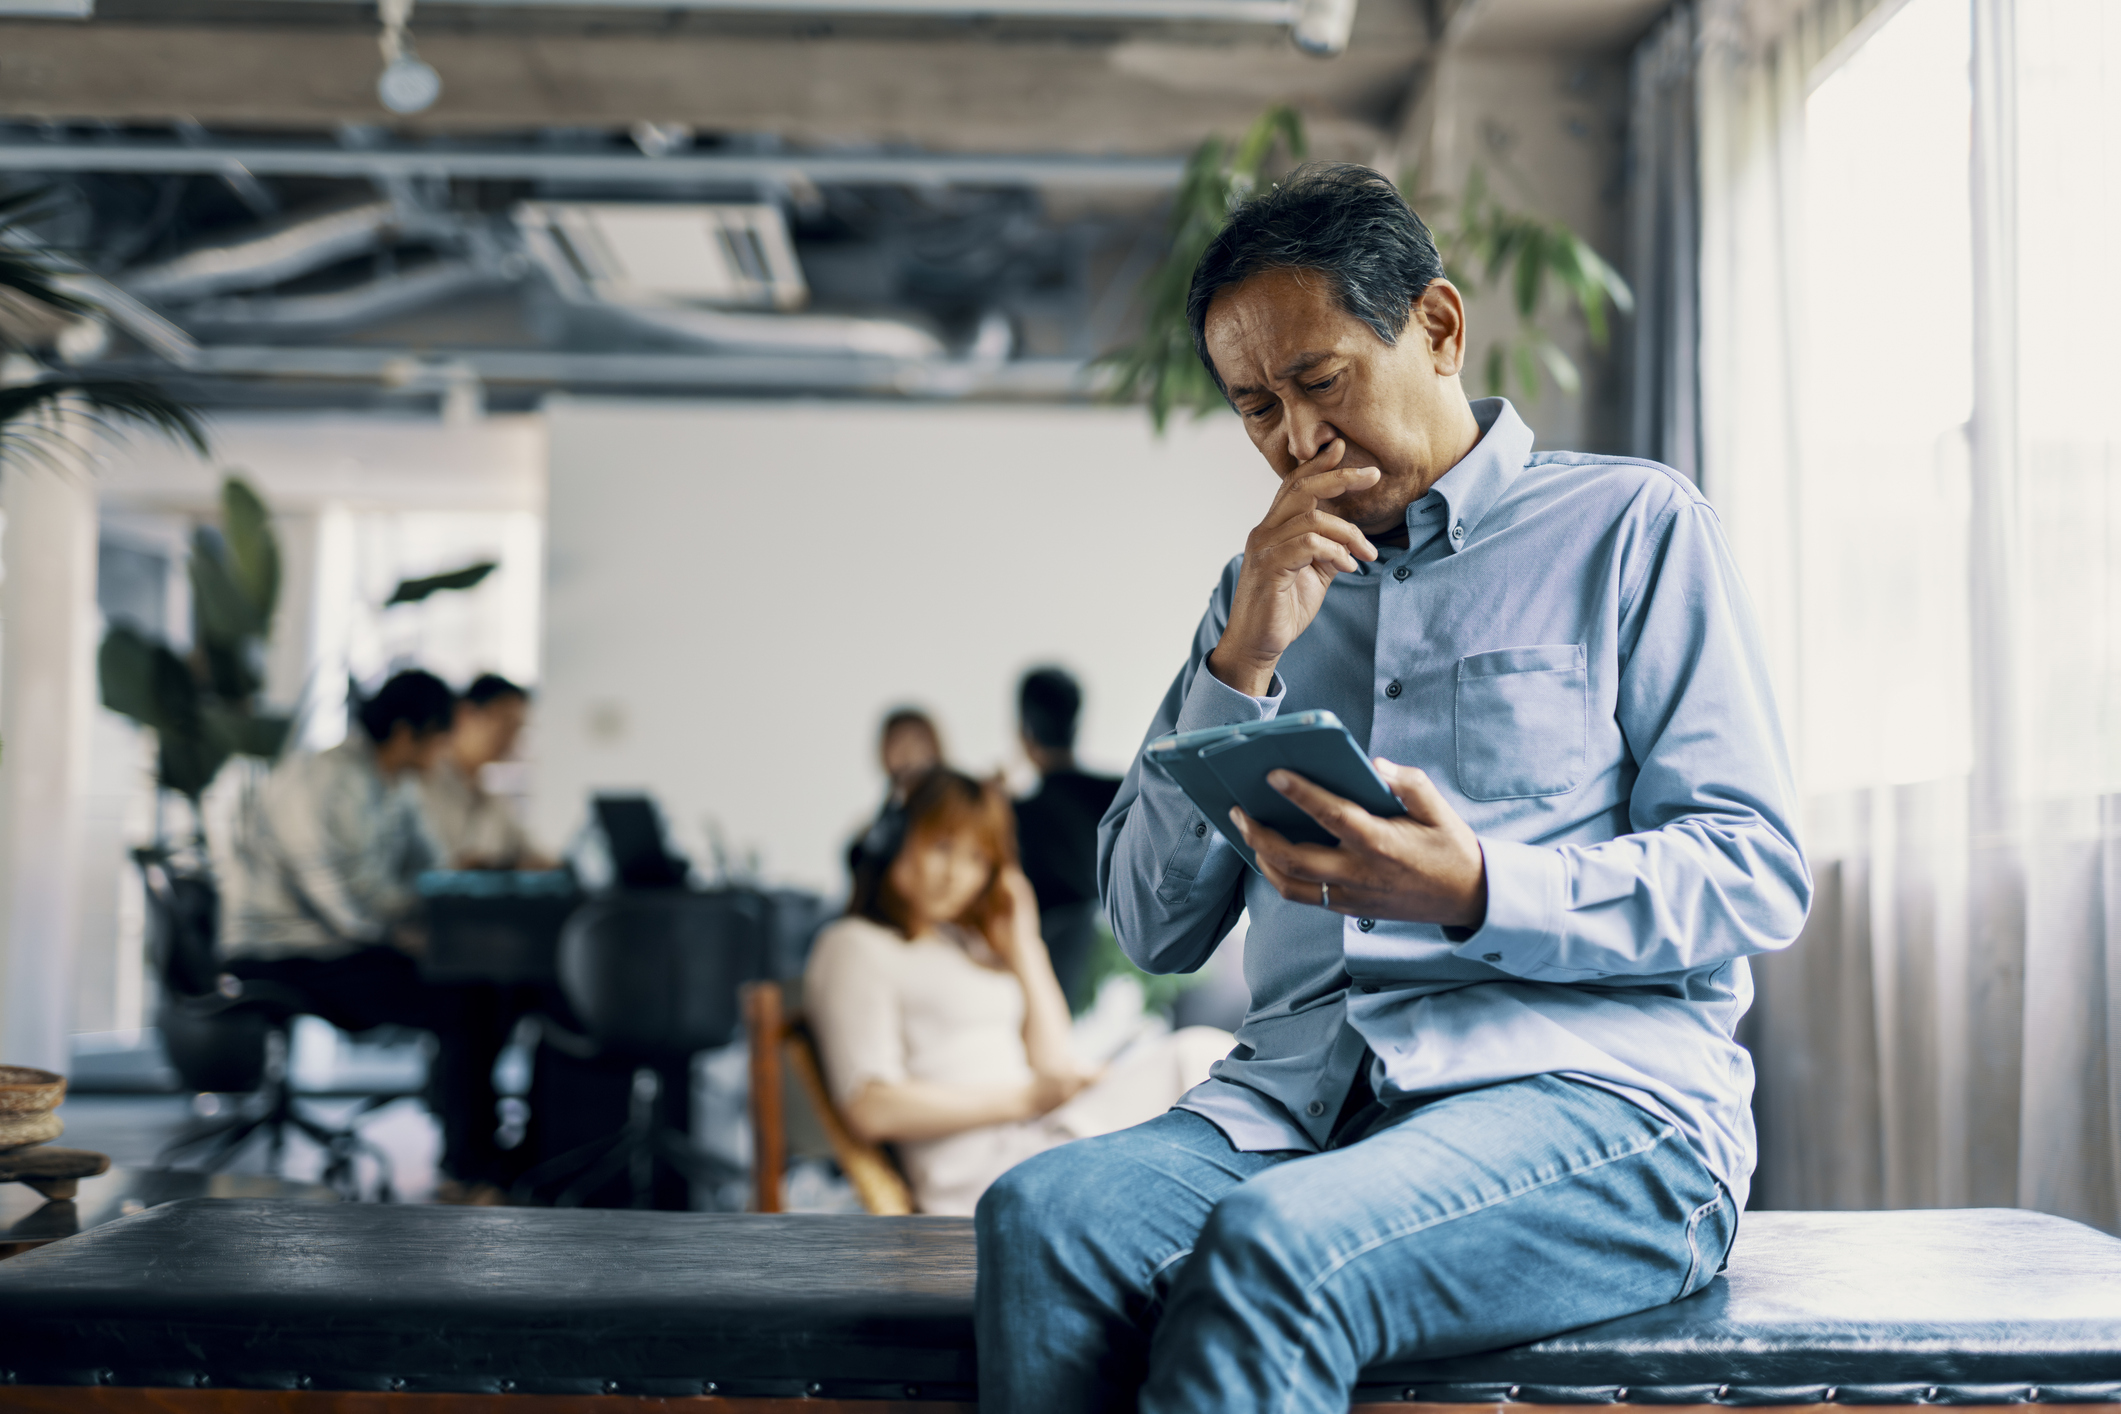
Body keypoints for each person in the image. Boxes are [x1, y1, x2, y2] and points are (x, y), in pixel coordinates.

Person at [974, 164, 1811, 1412]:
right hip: (1305, 1106)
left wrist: (1479, 888)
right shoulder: (1257, 592)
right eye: (1254, 407)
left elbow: (1755, 869)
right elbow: (1151, 927)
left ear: (1437, 327)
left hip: (1596, 1102)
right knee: (1043, 1215)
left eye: (1319, 383)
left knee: (1282, 1248)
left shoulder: (1635, 526)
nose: (1296, 440)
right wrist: (1240, 658)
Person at [805, 767, 1230, 1217]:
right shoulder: (855, 945)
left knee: (1207, 1068)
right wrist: (1026, 1099)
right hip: (985, 1175)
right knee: (1195, 1057)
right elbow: (871, 1106)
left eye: (977, 859)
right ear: (894, 842)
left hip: (1036, 1136)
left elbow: (1052, 1060)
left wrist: (1023, 943)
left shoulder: (968, 945)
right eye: (942, 847)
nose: (956, 874)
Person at [222, 669, 514, 1198]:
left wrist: (446, 890)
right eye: (440, 739)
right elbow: (347, 910)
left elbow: (430, 871)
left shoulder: (392, 781)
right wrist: (411, 932)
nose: (444, 754)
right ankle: (468, 1170)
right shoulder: (323, 781)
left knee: (484, 990)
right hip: (280, 953)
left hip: (337, 946)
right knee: (465, 1000)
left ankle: (476, 1153)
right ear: (407, 733)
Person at [1010, 666, 1121, 1010]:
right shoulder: (1120, 794)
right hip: (1123, 971)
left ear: (1025, 735)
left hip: (1045, 986)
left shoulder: (1014, 815)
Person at [420, 672, 556, 870]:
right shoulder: (420, 784)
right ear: (465, 715)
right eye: (505, 723)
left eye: (517, 729)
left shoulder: (490, 798)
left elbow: (534, 854)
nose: (511, 739)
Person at [844, 706, 946, 882]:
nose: (907, 753)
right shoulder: (890, 809)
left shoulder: (950, 804)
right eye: (897, 743)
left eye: (916, 743)